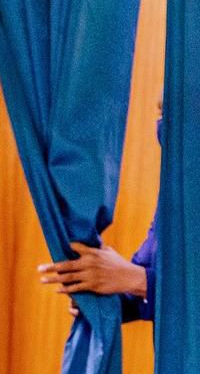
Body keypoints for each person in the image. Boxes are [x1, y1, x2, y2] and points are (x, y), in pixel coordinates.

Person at [38, 110, 161, 322]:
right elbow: (143, 279)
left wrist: (137, 280)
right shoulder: (175, 191)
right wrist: (95, 287)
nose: (160, 124)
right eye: (159, 111)